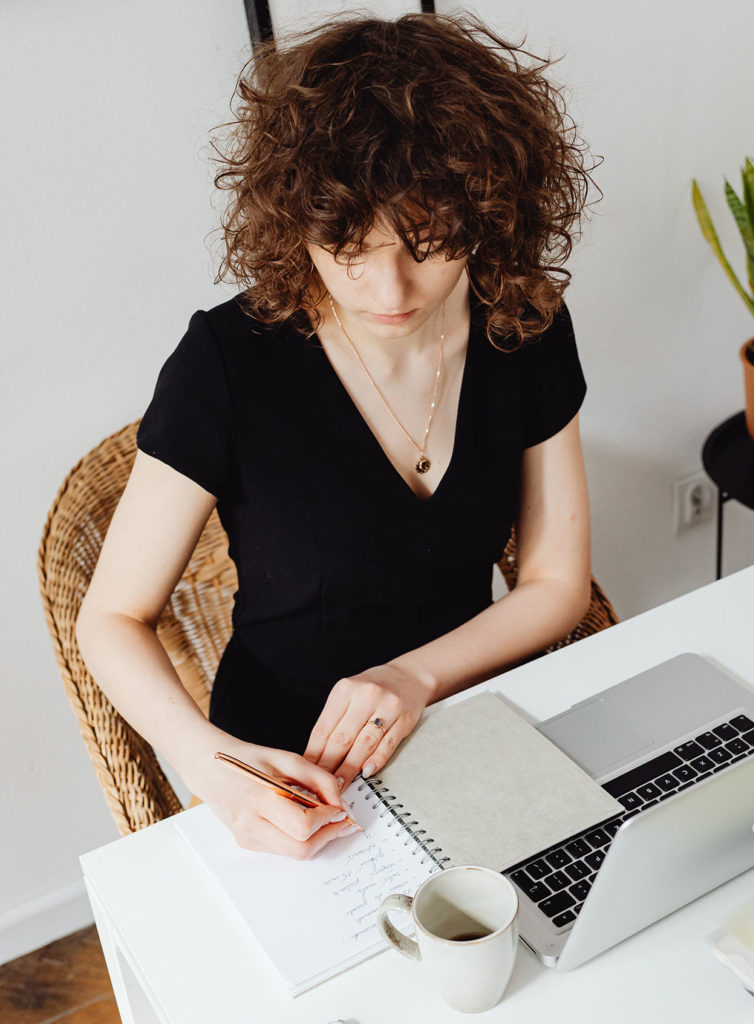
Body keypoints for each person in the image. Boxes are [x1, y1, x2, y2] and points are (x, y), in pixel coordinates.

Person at [76, 13, 596, 860]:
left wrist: (415, 676)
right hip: (293, 766)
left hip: (462, 718)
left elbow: (554, 582)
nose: (389, 287)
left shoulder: (523, 322)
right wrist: (214, 766)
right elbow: (111, 617)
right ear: (295, 222)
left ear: (488, 210)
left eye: (428, 243)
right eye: (347, 246)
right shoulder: (228, 361)